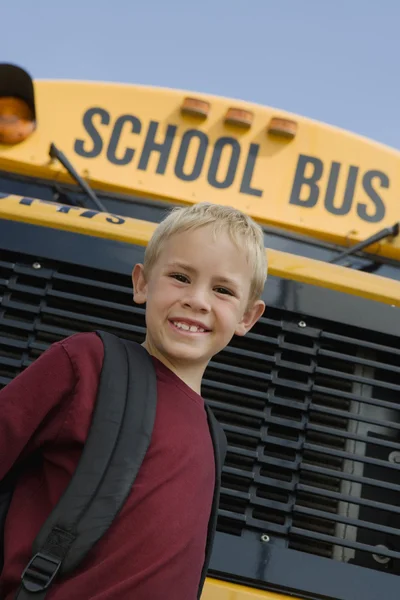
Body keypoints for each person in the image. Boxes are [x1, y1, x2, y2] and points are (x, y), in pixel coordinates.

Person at [0, 202, 267, 600]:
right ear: (142, 284)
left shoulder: (214, 439)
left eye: (222, 290)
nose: (197, 300)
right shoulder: (87, 364)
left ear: (248, 317)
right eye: (179, 277)